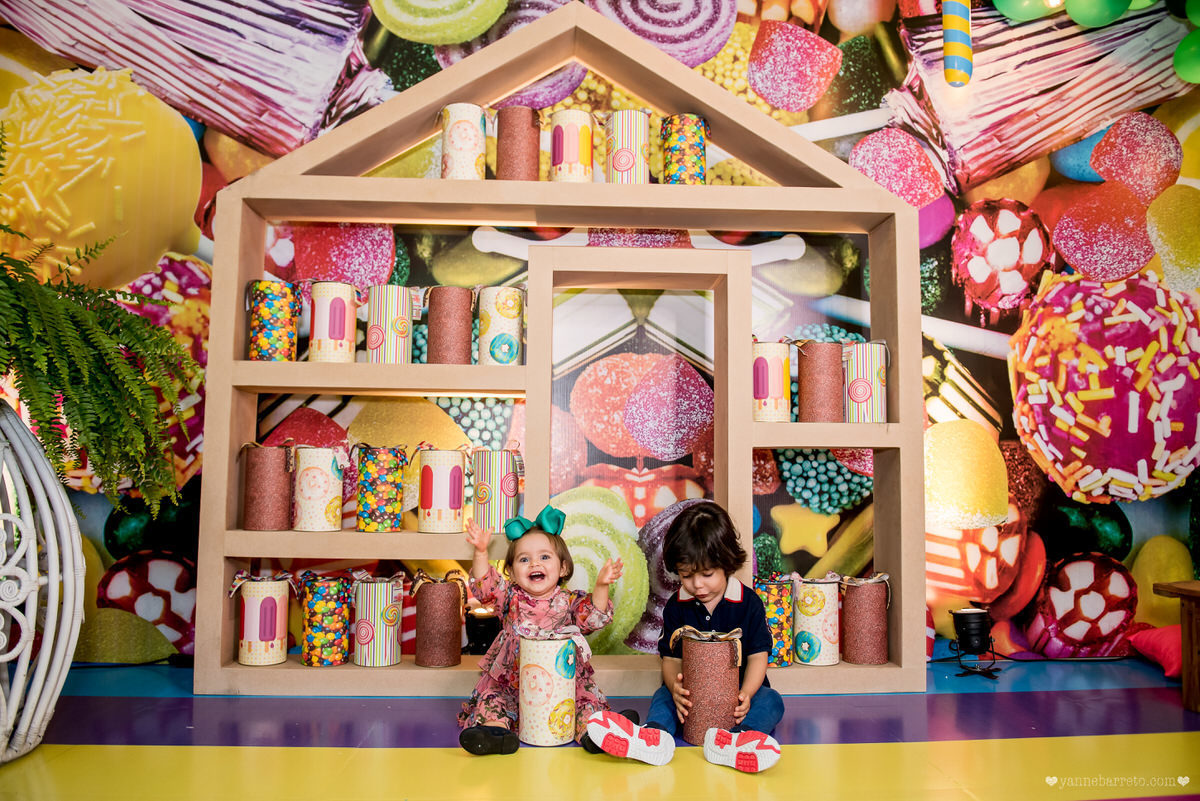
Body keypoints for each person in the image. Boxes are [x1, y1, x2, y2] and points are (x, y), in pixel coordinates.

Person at [585, 501, 783, 772]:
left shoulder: (748, 603)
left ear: (727, 564)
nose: (697, 584)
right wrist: (676, 689)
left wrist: (746, 693)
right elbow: (670, 659)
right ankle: (654, 736)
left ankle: (739, 740)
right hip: (692, 695)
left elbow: (758, 655)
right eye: (686, 575)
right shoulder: (677, 606)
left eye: (707, 574)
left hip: (738, 693)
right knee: (663, 697)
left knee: (771, 701)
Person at [457, 504, 627, 755]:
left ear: (563, 568)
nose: (534, 563)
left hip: (562, 682)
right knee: (493, 701)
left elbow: (592, 617)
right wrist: (481, 552)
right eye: (524, 559)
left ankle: (594, 733)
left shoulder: (569, 601)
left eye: (545, 557)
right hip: (513, 681)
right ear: (511, 572)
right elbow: (486, 587)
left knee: (584, 702)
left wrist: (601, 586)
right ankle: (495, 733)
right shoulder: (510, 597)